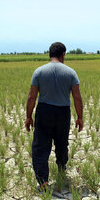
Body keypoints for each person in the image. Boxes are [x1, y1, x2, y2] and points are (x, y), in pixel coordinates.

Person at [25, 42, 83, 191]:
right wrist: (80, 117)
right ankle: (62, 170)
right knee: (62, 144)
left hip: (44, 111)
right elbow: (77, 97)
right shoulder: (71, 73)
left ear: (49, 54)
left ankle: (43, 182)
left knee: (41, 146)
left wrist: (28, 116)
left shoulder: (39, 72)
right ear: (63, 54)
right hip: (63, 112)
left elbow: (32, 97)